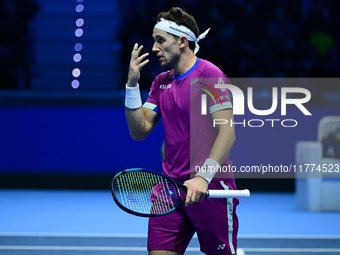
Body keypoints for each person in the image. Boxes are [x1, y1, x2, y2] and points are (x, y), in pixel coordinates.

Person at [124, 7, 238, 255]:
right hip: (170, 189)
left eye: (160, 40)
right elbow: (139, 131)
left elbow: (227, 132)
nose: (154, 48)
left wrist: (203, 177)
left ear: (182, 41)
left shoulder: (210, 75)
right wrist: (132, 86)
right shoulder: (160, 82)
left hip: (210, 187)